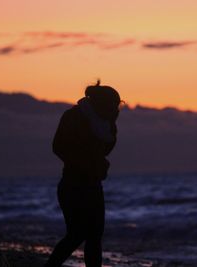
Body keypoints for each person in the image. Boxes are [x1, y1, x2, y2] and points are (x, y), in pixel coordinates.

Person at [44, 80, 121, 267]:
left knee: (94, 235)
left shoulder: (107, 125)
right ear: (102, 103)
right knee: (77, 234)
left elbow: (105, 151)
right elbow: (58, 147)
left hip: (93, 185)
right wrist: (85, 163)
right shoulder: (73, 116)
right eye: (115, 105)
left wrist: (98, 163)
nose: (117, 109)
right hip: (72, 184)